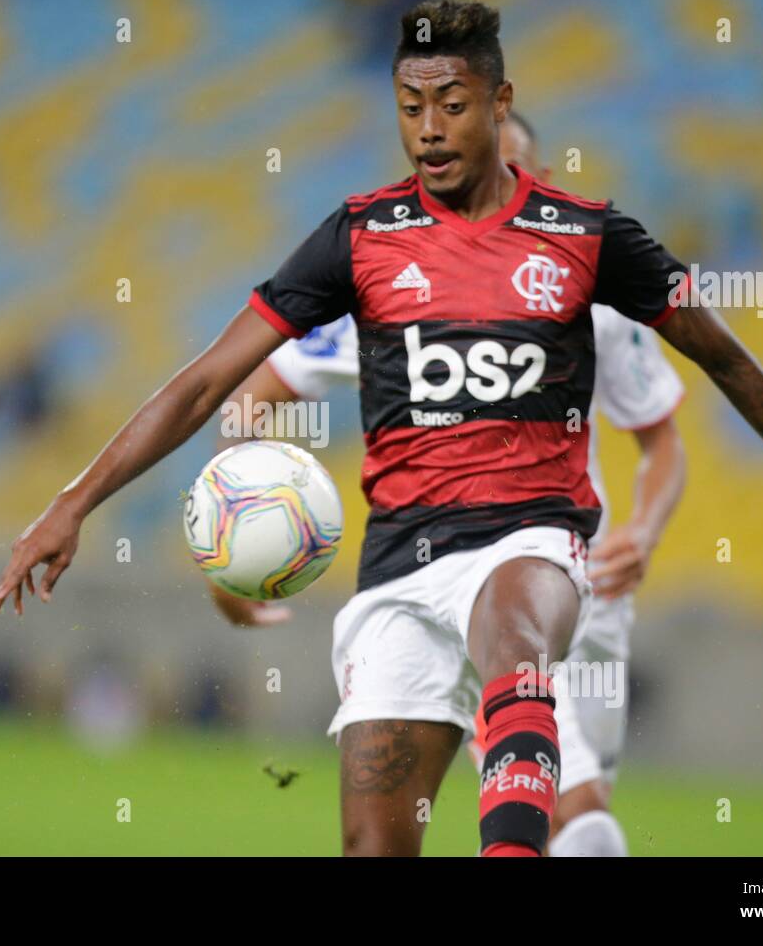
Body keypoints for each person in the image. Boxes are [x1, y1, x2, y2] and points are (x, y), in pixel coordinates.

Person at [0, 0, 763, 857]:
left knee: (518, 639)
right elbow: (207, 386)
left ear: (498, 103)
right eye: (410, 104)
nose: (428, 127)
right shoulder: (359, 238)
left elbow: (729, 360)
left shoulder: (586, 239)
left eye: (452, 104)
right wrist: (73, 504)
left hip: (530, 538)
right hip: (398, 573)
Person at [209, 110, 687, 857]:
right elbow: (249, 400)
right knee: (577, 822)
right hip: (443, 571)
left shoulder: (598, 298)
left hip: (568, 575)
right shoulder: (402, 290)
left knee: (577, 825)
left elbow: (662, 441)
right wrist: (233, 535)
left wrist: (645, 531)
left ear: (544, 183)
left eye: (509, 175)